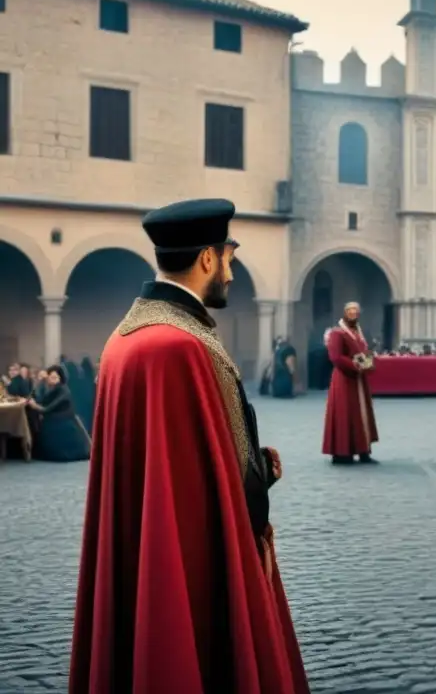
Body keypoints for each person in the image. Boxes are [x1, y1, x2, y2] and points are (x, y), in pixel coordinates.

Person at [69, 198, 309, 693]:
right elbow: (193, 462)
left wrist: (258, 465)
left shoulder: (128, 334)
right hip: (196, 552)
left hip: (153, 537)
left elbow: (188, 448)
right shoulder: (178, 343)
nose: (232, 275)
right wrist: (254, 490)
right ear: (207, 258)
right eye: (229, 260)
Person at [322, 301, 380, 465]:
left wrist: (368, 361)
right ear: (345, 313)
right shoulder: (337, 333)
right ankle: (342, 452)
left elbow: (362, 351)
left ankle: (363, 450)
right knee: (345, 414)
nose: (354, 314)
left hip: (359, 381)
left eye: (356, 312)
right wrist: (356, 365)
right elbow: (336, 357)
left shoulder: (358, 333)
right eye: (350, 312)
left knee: (360, 415)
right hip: (344, 380)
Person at [26, 365, 91, 462]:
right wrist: (39, 383)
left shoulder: (63, 391)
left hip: (61, 424)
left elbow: (47, 409)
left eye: (55, 377)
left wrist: (35, 406)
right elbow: (33, 397)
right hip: (52, 421)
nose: (52, 380)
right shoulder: (50, 389)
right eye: (50, 377)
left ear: (60, 378)